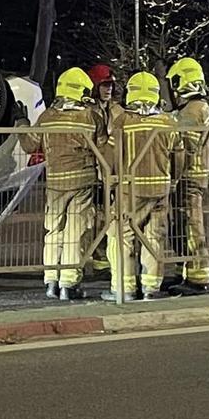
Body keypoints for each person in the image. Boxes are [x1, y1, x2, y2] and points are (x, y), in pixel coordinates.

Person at [19, 68, 105, 301]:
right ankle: (69, 284)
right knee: (76, 233)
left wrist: (21, 122)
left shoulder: (47, 116)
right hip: (82, 183)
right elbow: (104, 149)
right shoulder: (90, 116)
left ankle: (51, 282)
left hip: (55, 183)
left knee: (54, 231)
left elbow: (29, 145)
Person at [101, 72, 179, 301]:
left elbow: (109, 156)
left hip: (129, 190)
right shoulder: (167, 121)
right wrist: (173, 178)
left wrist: (109, 179)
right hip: (160, 190)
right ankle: (151, 288)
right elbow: (180, 155)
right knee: (154, 237)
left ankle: (124, 289)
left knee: (121, 237)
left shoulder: (123, 121)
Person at [165, 57, 209, 296]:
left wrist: (173, 177)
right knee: (181, 226)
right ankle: (183, 270)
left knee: (191, 225)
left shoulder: (193, 110)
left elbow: (184, 147)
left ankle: (197, 276)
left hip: (188, 177)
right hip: (189, 177)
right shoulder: (194, 108)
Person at [86, 63, 119, 276]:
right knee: (98, 218)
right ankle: (100, 261)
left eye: (111, 85)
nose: (108, 89)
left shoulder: (115, 109)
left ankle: (111, 259)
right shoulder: (89, 111)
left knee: (113, 217)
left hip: (113, 170)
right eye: (104, 85)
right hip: (96, 171)